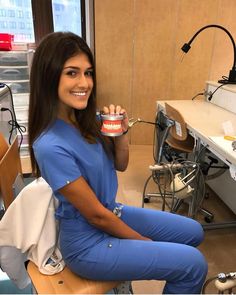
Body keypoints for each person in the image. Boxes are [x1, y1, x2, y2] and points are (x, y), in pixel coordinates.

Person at [28, 31, 208, 294]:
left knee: (194, 232)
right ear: (49, 76)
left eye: (88, 73)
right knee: (193, 265)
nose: (85, 82)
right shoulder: (49, 145)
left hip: (111, 211)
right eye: (72, 72)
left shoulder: (86, 121)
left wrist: (121, 133)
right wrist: (143, 242)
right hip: (87, 244)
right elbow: (96, 216)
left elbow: (121, 164)